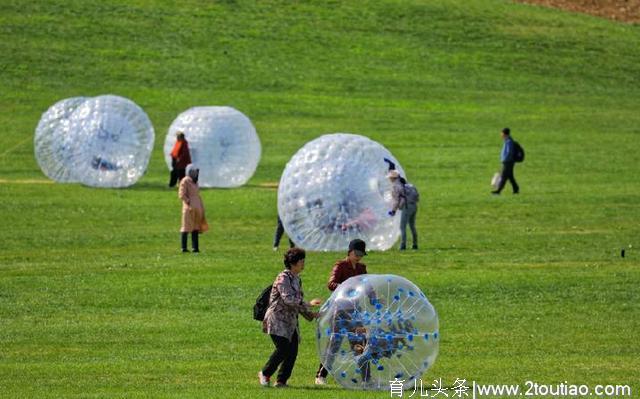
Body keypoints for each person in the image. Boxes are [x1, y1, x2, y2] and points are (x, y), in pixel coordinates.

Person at [259, 248, 322, 388]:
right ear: (293, 263)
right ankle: (265, 373)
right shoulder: (283, 278)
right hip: (277, 320)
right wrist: (308, 304)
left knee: (292, 352)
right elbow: (288, 299)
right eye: (301, 260)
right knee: (283, 349)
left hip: (291, 322)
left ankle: (281, 381)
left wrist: (311, 315)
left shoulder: (297, 279)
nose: (304, 263)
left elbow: (297, 303)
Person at [315, 239, 369, 385]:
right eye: (356, 253)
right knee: (334, 343)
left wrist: (375, 297)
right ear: (350, 251)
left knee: (359, 344)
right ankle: (321, 376)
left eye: (361, 254)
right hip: (339, 312)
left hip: (355, 312)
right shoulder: (340, 266)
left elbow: (366, 286)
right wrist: (345, 288)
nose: (358, 257)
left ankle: (366, 379)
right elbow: (331, 283)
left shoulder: (362, 268)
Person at [178, 164, 208, 253]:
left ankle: (195, 247)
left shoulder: (195, 182)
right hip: (189, 208)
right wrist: (188, 201)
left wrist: (201, 206)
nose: (195, 174)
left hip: (197, 207)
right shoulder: (185, 181)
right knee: (186, 227)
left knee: (196, 227)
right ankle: (184, 247)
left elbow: (197, 195)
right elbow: (181, 194)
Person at [492, 127, 520, 195]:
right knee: (510, 177)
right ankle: (516, 188)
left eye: (501, 133)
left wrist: (504, 159)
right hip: (508, 162)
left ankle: (498, 191)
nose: (501, 134)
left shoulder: (509, 142)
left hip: (508, 162)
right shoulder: (507, 141)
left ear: (505, 134)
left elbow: (509, 152)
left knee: (504, 176)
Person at [399, 176, 419, 250]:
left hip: (407, 207)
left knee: (402, 226)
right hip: (414, 206)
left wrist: (399, 207)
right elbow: (417, 197)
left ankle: (403, 245)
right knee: (412, 226)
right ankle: (415, 244)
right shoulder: (412, 187)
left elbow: (402, 200)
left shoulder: (402, 189)